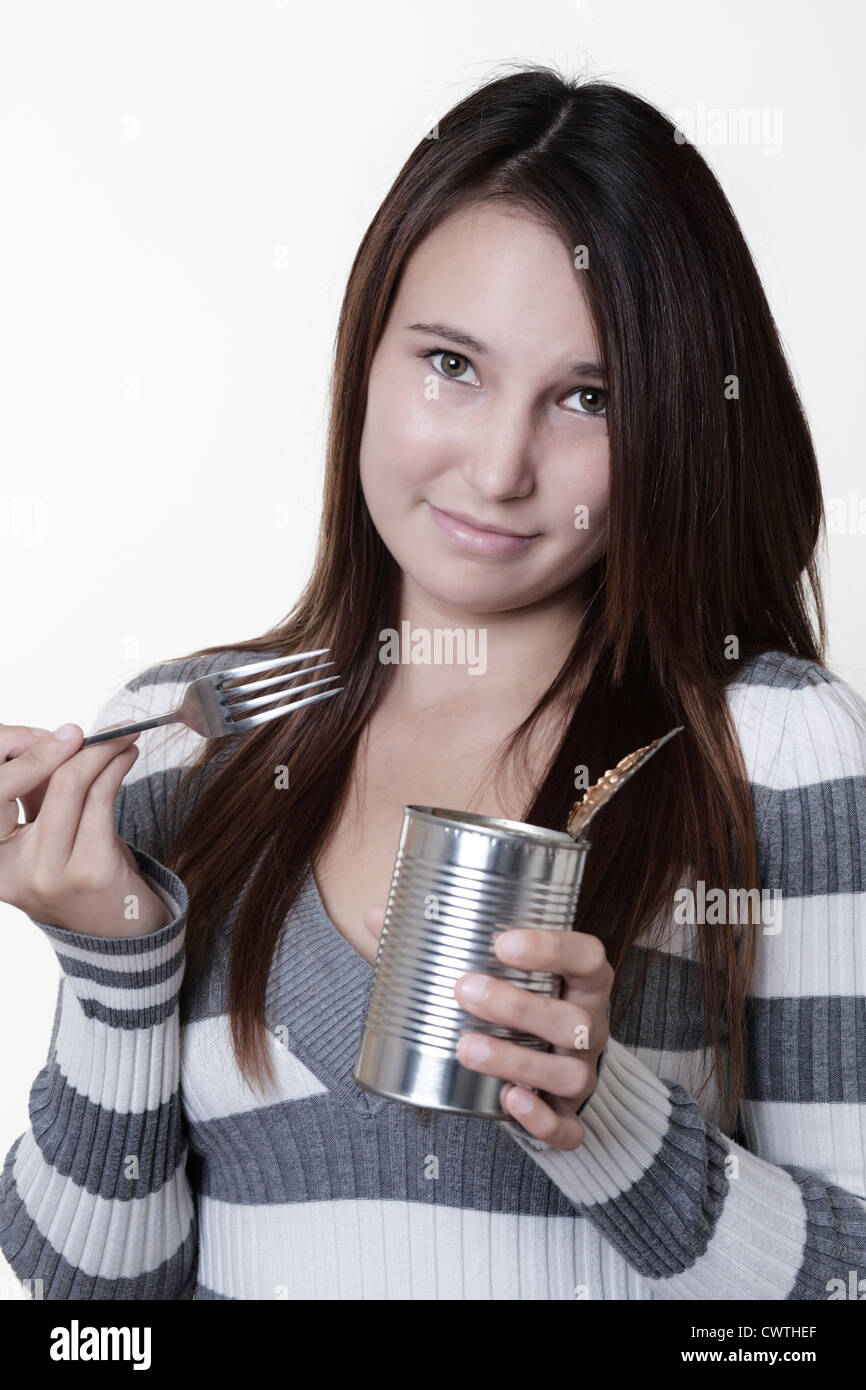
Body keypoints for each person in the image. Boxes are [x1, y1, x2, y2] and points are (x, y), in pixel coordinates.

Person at [1, 64, 864, 1301]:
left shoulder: (770, 750)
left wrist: (608, 1118)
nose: (501, 467)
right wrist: (115, 965)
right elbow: (97, 1313)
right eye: (450, 365)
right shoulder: (182, 746)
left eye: (586, 397)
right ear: (366, 356)